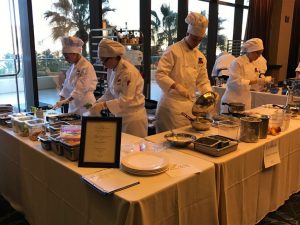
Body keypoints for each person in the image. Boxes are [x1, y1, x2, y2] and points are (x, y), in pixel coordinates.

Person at [155, 12, 215, 133]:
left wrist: (209, 94)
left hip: (189, 107)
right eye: (194, 39)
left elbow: (203, 80)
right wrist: (177, 86)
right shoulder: (173, 51)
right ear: (187, 33)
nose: (196, 43)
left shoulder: (200, 57)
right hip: (171, 106)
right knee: (169, 144)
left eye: (200, 40)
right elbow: (160, 74)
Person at [89, 39, 148, 138]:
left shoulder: (128, 72)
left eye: (104, 60)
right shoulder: (111, 69)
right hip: (120, 116)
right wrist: (98, 102)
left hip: (133, 119)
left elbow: (126, 100)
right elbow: (110, 92)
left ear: (115, 57)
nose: (103, 64)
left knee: (135, 150)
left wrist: (104, 105)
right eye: (101, 60)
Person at [53, 36, 98, 115]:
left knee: (84, 125)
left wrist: (67, 101)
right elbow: (66, 86)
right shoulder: (72, 67)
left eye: (67, 57)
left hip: (86, 104)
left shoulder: (86, 67)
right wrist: (61, 99)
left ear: (74, 54)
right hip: (73, 104)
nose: (65, 59)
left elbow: (80, 89)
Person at [220, 38, 266, 113]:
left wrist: (261, 83)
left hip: (245, 99)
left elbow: (254, 84)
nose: (259, 56)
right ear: (250, 51)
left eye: (261, 53)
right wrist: (255, 81)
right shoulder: (237, 62)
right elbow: (234, 82)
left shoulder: (254, 64)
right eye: (257, 53)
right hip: (233, 100)